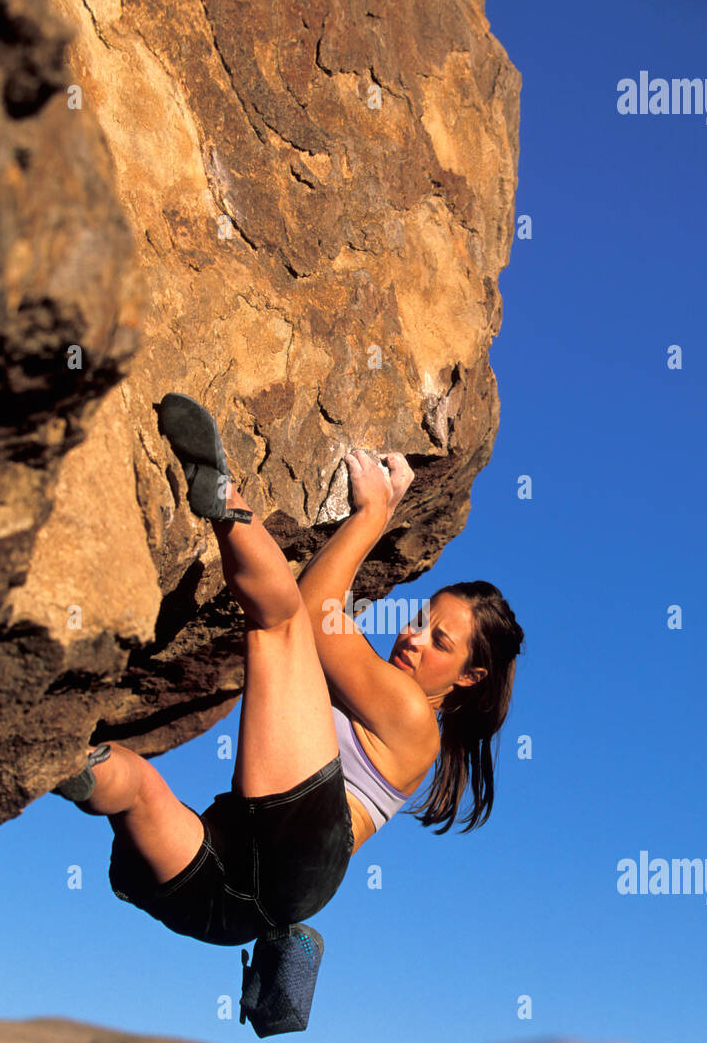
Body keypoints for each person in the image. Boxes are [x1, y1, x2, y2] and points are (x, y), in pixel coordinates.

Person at [54, 394, 525, 949]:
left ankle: (223, 496)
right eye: (419, 619)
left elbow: (316, 611)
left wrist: (374, 515)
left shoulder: (413, 719)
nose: (411, 637)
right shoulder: (378, 695)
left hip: (298, 857)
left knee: (280, 623)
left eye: (438, 640)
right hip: (223, 907)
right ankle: (48, 761)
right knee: (131, 783)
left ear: (469, 677)